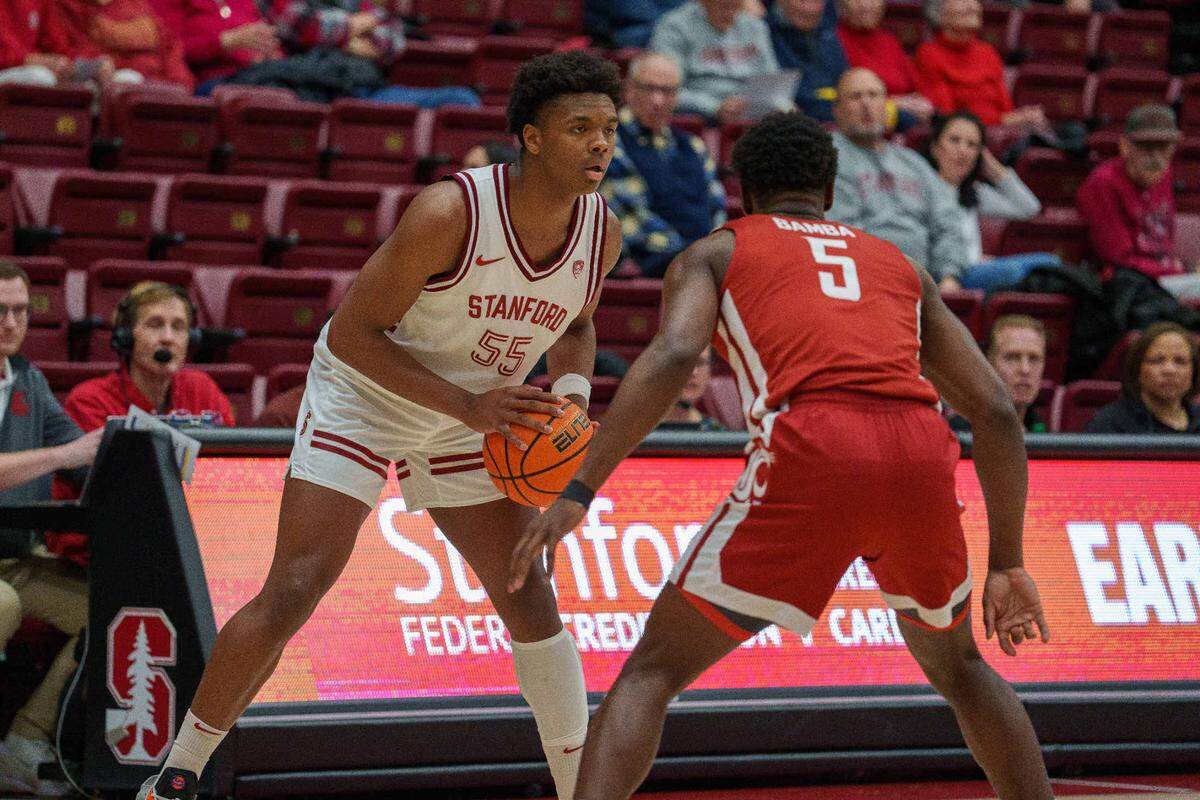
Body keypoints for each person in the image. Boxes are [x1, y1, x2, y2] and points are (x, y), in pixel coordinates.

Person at [511, 110, 1054, 800]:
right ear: (830, 190)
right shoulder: (899, 264)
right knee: (962, 669)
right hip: (919, 448)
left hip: (814, 447)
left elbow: (676, 354)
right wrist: (1007, 560)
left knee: (652, 673)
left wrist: (579, 490)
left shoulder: (717, 251)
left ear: (744, 192)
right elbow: (999, 413)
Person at [137, 51, 624, 800]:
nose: (599, 144)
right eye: (579, 128)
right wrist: (467, 407)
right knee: (296, 586)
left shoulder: (602, 233)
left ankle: (578, 789)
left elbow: (579, 324)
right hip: (370, 392)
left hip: (476, 409)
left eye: (609, 129)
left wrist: (567, 393)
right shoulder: (450, 212)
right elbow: (352, 335)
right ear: (530, 138)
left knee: (531, 595)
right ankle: (176, 776)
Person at [0, 261, 99, 797]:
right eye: (0, 311)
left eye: (21, 310)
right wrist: (65, 453)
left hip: (16, 556)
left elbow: (83, 460)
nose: (12, 322)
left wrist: (135, 452)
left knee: (107, 612)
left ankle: (24, 741)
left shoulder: (28, 380)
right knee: (2, 606)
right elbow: (62, 452)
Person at [828, 68, 968, 290]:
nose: (866, 104)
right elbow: (843, 233)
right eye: (855, 97)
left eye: (874, 96)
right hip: (868, 282)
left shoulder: (912, 162)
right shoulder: (829, 157)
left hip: (929, 282)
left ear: (886, 106)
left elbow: (947, 222)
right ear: (837, 110)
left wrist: (949, 276)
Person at [601, 52, 726, 278]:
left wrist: (710, 254)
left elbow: (717, 209)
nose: (658, 101)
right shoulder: (610, 143)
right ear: (629, 90)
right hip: (652, 267)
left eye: (667, 91)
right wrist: (695, 258)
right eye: (649, 89)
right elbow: (633, 222)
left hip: (700, 267)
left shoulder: (695, 146)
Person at [63, 282, 233, 431]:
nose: (168, 338)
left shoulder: (203, 390)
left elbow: (231, 458)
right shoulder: (91, 401)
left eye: (178, 327)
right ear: (126, 337)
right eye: (155, 325)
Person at [922, 111, 1047, 291]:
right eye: (954, 140)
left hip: (974, 271)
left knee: (1049, 264)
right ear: (935, 147)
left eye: (972, 145)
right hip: (943, 276)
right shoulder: (919, 190)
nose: (963, 150)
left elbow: (1030, 208)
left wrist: (992, 168)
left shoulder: (973, 192)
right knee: (1012, 272)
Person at [1077, 104, 1194, 282]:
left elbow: (1164, 242)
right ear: (1125, 146)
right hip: (1127, 285)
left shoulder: (1163, 175)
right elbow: (1118, 260)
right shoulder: (1103, 183)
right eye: (1147, 147)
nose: (1156, 158)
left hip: (1164, 279)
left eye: (1164, 148)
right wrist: (1174, 272)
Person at [915, 0, 1047, 128]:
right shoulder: (929, 54)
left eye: (975, 0)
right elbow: (947, 117)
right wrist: (1007, 120)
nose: (972, 6)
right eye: (963, 1)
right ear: (938, 13)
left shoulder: (987, 52)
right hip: (963, 138)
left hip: (1001, 131)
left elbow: (1006, 108)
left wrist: (1024, 116)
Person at [649, 0, 779, 123]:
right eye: (722, 4)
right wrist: (714, 107)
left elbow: (772, 82)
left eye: (734, 4)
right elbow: (665, 89)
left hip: (751, 118)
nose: (729, 6)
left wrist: (778, 102)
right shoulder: (674, 26)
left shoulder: (755, 27)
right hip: (700, 120)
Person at [50, 0, 195, 89]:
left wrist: (179, 83)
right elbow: (72, 49)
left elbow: (168, 44)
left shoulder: (136, 5)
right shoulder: (67, 6)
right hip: (113, 84)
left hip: (161, 85)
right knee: (125, 80)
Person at [1086, 322, 1200, 434]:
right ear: (1137, 370)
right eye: (1157, 361)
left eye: (1180, 361)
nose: (1169, 370)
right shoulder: (1110, 424)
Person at [836, 0, 934, 128]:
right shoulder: (835, 41)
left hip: (907, 121)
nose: (865, 5)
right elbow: (848, 95)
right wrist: (895, 103)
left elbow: (917, 86)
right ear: (842, 5)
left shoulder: (889, 41)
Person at [149, 0, 283, 91]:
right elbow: (169, 48)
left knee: (294, 82)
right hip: (211, 83)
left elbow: (266, 39)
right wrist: (226, 41)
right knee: (284, 86)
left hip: (256, 74)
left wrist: (271, 52)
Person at [948, 315, 1048, 433]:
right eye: (1012, 358)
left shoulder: (1041, 429)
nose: (1025, 369)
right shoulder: (959, 433)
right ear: (988, 364)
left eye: (1034, 359)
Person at [766, 0, 847, 122]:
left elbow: (845, 80)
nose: (810, 9)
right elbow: (780, 90)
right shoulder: (765, 32)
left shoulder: (827, 32)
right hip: (795, 121)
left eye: (816, 1)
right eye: (801, 1)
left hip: (836, 117)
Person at [0, 0, 87, 87]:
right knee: (39, 78)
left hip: (32, 66)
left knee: (89, 82)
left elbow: (56, 43)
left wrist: (63, 62)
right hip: (8, 68)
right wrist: (29, 60)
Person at [658, 346, 723, 430]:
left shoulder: (715, 432)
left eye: (701, 363)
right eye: (685, 363)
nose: (693, 372)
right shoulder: (639, 429)